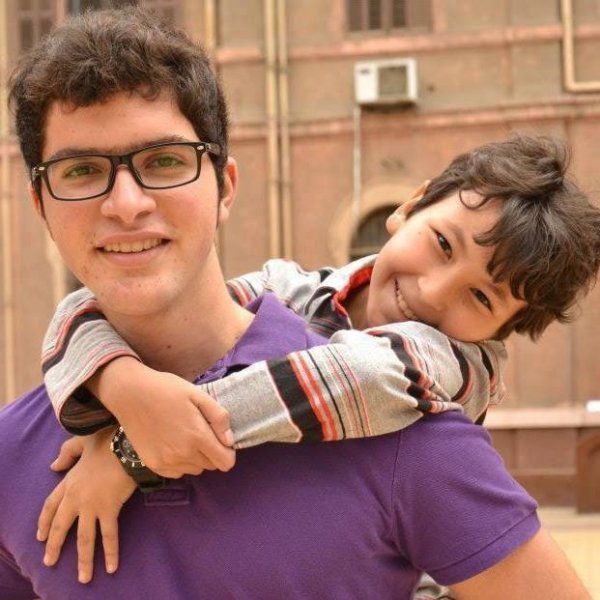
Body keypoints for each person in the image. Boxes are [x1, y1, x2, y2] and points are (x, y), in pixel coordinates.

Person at [1, 6, 594, 599]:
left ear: (226, 186)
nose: (126, 204)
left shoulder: (417, 419)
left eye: (164, 162)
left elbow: (356, 379)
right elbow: (80, 313)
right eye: (81, 171)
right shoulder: (14, 452)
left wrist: (134, 451)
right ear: (40, 205)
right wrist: (121, 383)